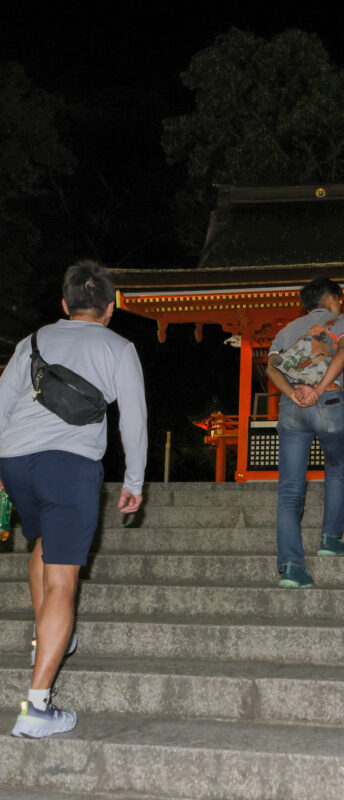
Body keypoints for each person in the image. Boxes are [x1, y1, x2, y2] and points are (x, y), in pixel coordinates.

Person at [0, 260, 147, 738]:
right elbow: (134, 420)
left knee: (42, 544)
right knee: (64, 579)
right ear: (110, 309)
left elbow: (2, 403)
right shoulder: (119, 347)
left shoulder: (33, 340)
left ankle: (49, 632)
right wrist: (135, 480)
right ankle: (37, 708)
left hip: (16, 458)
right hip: (69, 465)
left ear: (65, 305)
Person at [266, 276, 344, 588]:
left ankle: (291, 565)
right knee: (335, 467)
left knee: (290, 490)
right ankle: (330, 539)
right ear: (330, 298)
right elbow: (342, 354)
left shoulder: (285, 331)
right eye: (338, 298)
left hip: (293, 408)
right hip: (328, 401)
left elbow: (271, 369)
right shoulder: (342, 321)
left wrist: (294, 395)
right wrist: (318, 390)